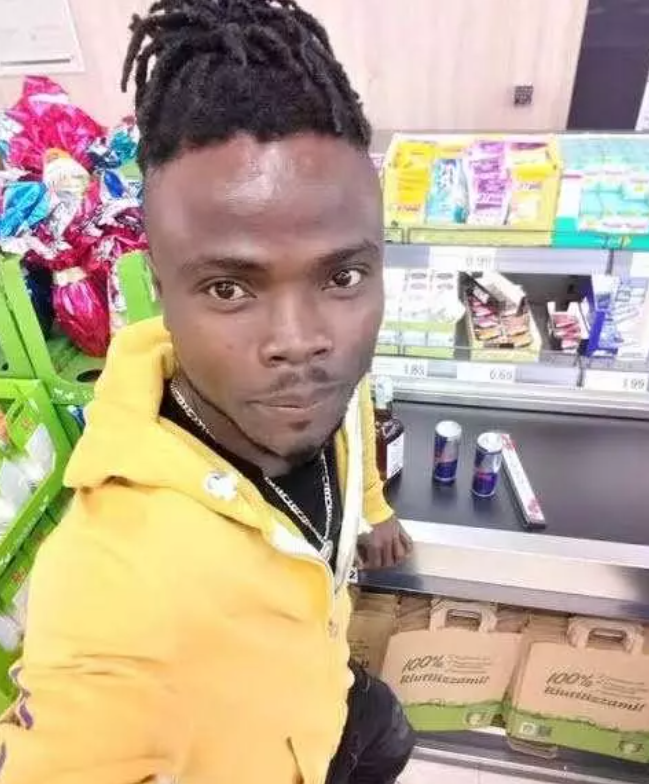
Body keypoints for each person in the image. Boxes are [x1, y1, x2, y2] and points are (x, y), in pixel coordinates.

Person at [0, 1, 416, 782]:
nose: (300, 341)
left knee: (389, 732)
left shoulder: (323, 382)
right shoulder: (110, 590)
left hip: (323, 699)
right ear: (161, 293)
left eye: (342, 276)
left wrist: (371, 510)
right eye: (229, 288)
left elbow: (353, 414)